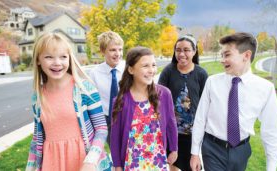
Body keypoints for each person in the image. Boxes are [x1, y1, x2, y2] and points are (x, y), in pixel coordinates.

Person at [190, 32, 277, 171]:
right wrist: (195, 152)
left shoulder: (265, 89)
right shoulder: (212, 82)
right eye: (221, 55)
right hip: (212, 149)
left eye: (227, 55)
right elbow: (200, 118)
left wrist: (271, 167)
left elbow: (272, 129)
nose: (222, 60)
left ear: (246, 55)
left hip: (241, 151)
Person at [26, 32, 112, 171]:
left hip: (84, 161)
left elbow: (101, 129)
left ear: (69, 59)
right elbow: (37, 137)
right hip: (52, 163)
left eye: (63, 57)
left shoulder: (85, 89)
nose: (57, 63)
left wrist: (91, 160)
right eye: (49, 57)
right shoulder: (38, 96)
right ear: (38, 60)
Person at [110, 46, 178, 171]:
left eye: (153, 65)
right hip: (132, 162)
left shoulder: (164, 94)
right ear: (131, 69)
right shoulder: (120, 101)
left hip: (157, 160)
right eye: (145, 66)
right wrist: (117, 165)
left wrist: (174, 149)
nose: (151, 70)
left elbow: (171, 123)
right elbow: (115, 137)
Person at [158, 35, 208, 171]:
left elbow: (206, 103)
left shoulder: (201, 74)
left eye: (186, 50)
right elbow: (159, 98)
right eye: (178, 50)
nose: (181, 54)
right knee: (172, 164)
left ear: (194, 51)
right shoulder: (168, 71)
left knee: (192, 166)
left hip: (192, 132)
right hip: (171, 131)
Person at [89, 31, 125, 143]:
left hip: (127, 116)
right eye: (113, 50)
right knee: (114, 151)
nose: (118, 53)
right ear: (103, 51)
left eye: (120, 49)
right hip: (107, 119)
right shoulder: (94, 73)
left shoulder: (129, 69)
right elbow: (91, 100)